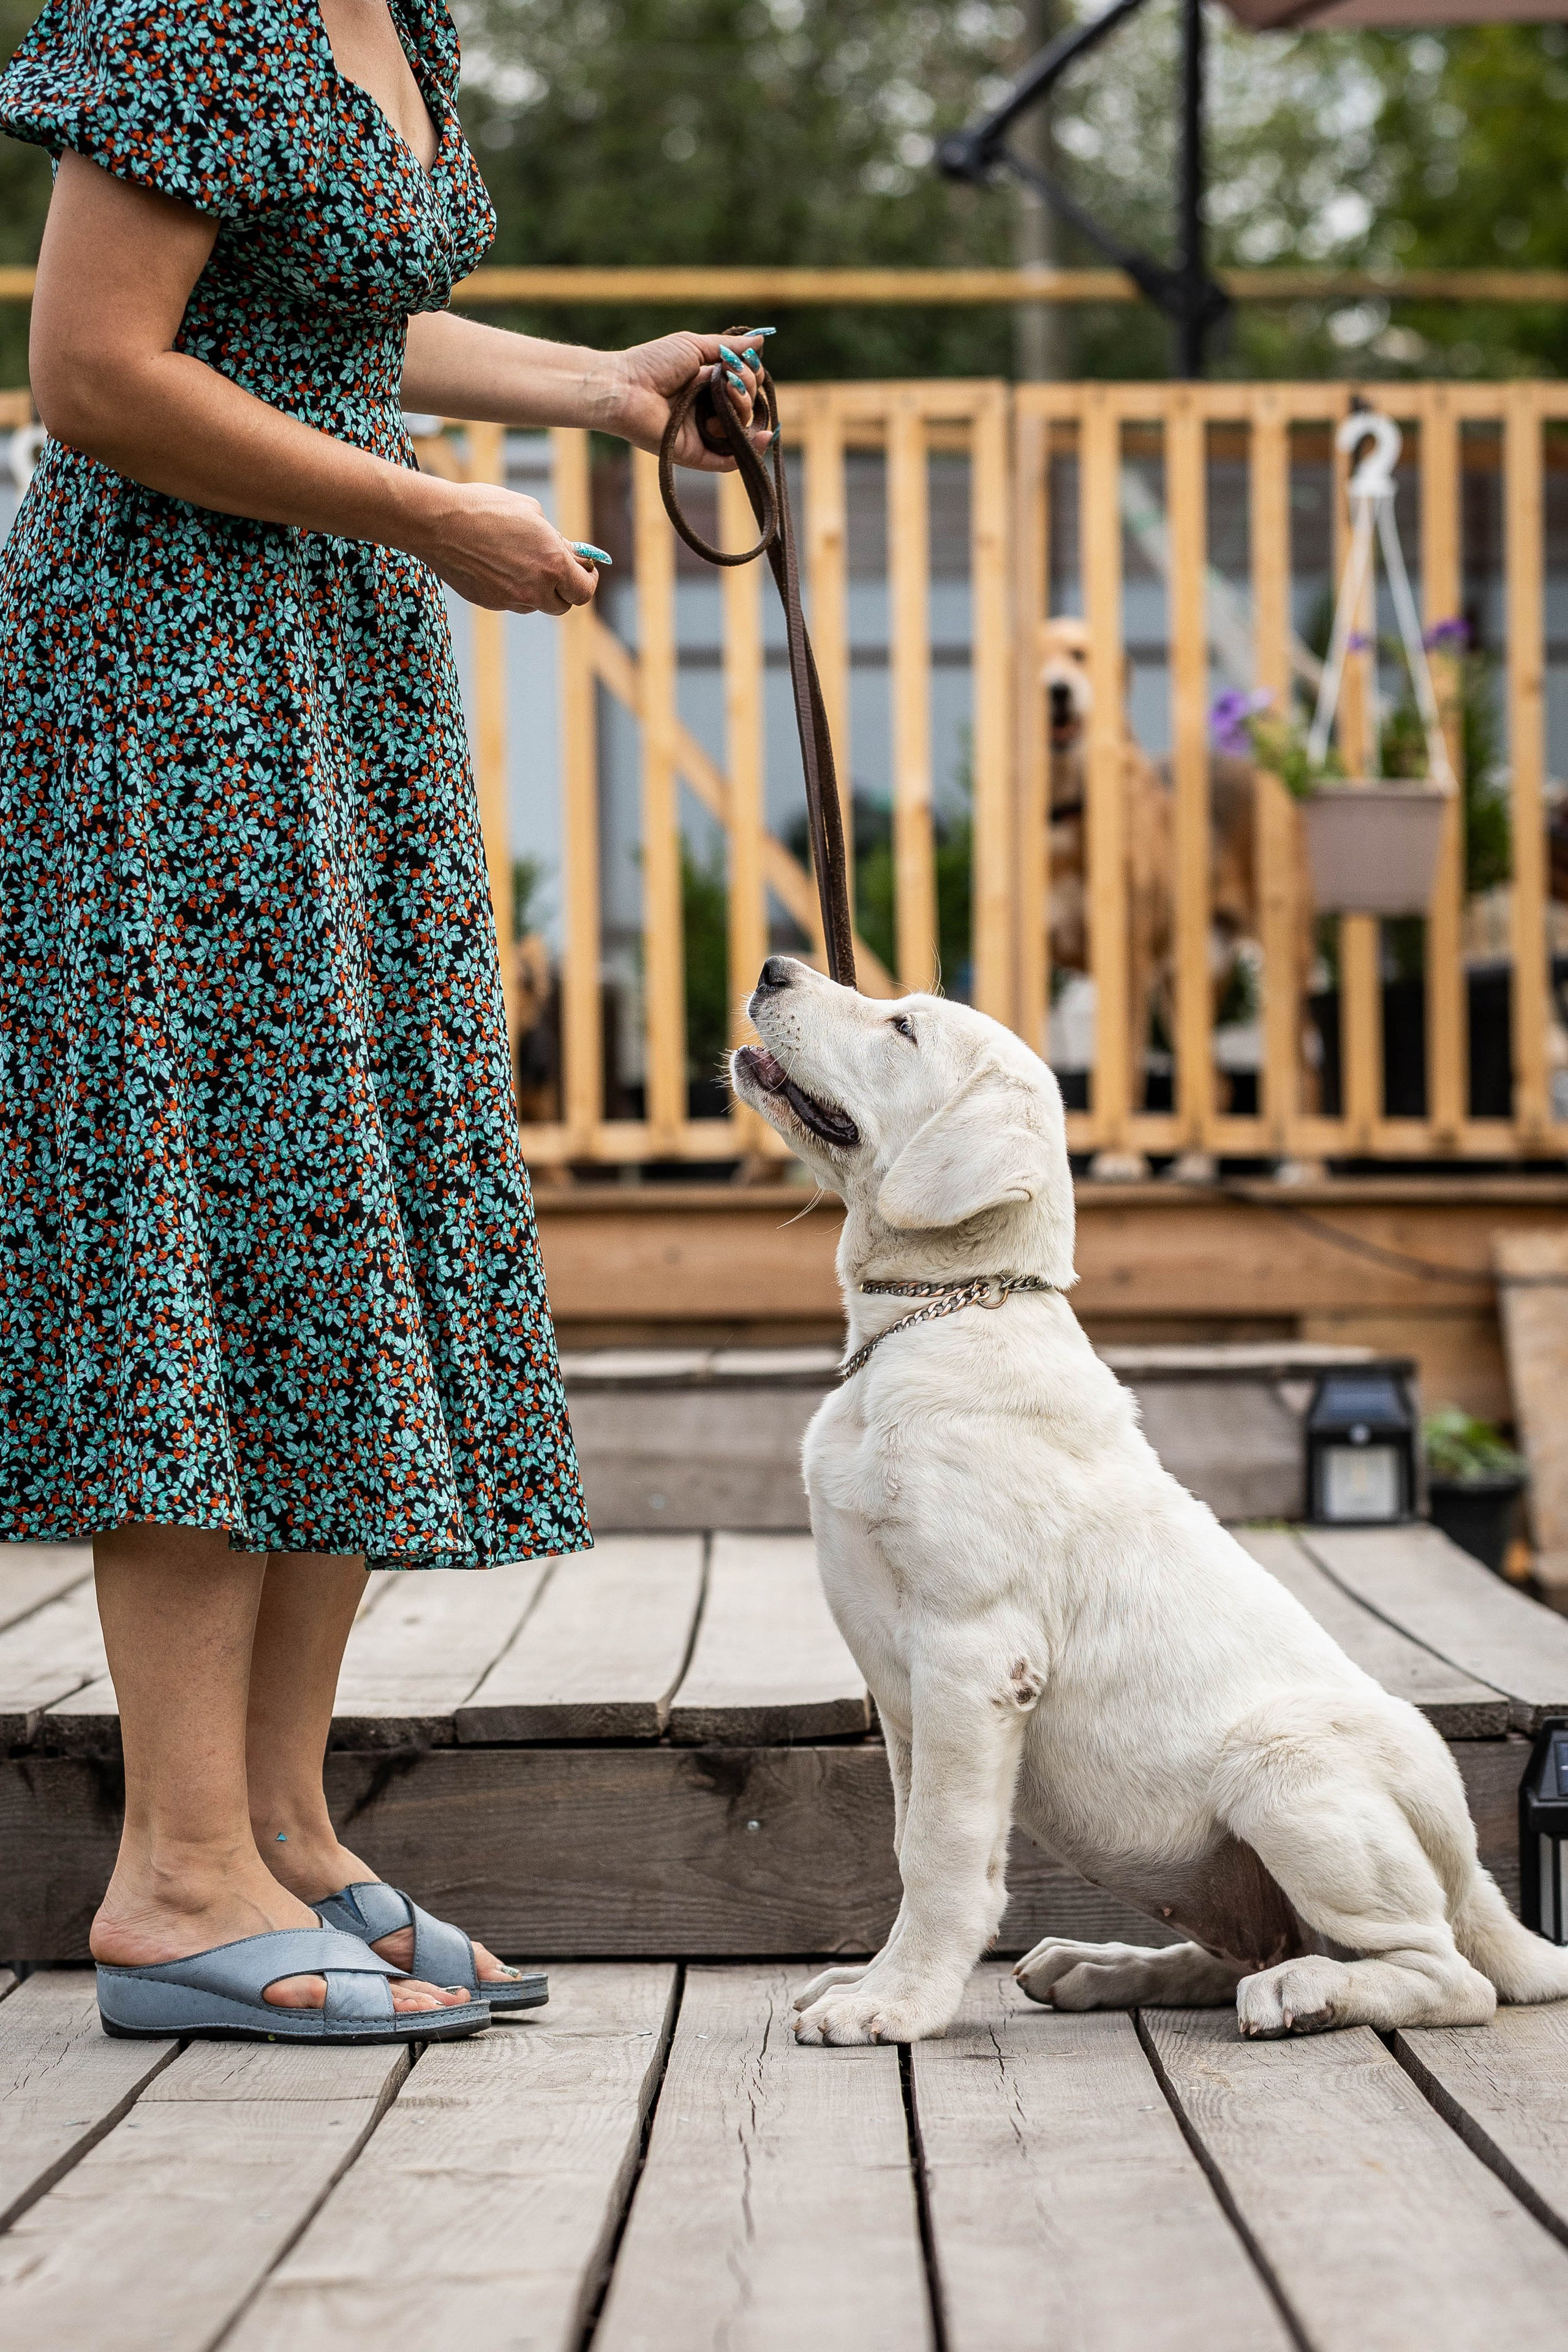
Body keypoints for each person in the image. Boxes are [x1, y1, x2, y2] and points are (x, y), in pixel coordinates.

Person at [0, 0, 768, 2040]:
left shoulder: (396, 18)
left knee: (333, 1208)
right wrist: (430, 514)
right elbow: (92, 373)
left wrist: (606, 391)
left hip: (328, 671)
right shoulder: (191, 9)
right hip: (169, 665)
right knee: (212, 1213)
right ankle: (171, 1882)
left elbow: (334, 320)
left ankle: (275, 1831)